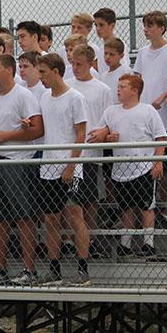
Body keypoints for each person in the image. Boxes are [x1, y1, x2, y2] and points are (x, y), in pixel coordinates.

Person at [0, 54, 44, 286]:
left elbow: (37, 130)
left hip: (17, 162)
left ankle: (29, 269)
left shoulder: (24, 95)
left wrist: (8, 135)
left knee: (24, 216)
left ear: (8, 70)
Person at [88, 75, 167, 257]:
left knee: (146, 207)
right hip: (121, 170)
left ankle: (148, 243)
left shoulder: (147, 111)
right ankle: (126, 244)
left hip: (143, 168)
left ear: (135, 91)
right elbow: (99, 136)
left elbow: (161, 138)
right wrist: (108, 138)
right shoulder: (111, 112)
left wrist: (157, 162)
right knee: (126, 208)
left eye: (123, 87)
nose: (119, 90)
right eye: (118, 86)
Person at [36, 53, 91, 286]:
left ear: (56, 72)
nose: (40, 78)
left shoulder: (75, 98)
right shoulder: (44, 98)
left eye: (43, 73)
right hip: (47, 167)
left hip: (70, 167)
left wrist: (71, 165)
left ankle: (83, 269)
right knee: (51, 219)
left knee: (74, 214)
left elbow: (81, 133)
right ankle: (54, 268)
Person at [67, 44, 114, 257]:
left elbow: (108, 119)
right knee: (72, 202)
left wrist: (103, 131)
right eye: (73, 64)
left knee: (91, 199)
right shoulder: (68, 86)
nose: (75, 68)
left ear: (90, 64)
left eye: (80, 64)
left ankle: (91, 238)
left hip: (92, 154)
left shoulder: (103, 89)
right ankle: (72, 240)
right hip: (72, 153)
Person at [134, 10, 167, 134]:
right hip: (145, 109)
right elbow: (138, 79)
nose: (145, 29)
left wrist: (165, 97)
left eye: (150, 26)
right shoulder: (142, 52)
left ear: (161, 29)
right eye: (144, 26)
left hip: (164, 112)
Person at [93, 8, 130, 72]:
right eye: (96, 25)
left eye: (101, 25)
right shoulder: (101, 48)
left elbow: (123, 70)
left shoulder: (120, 46)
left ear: (112, 25)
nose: (98, 28)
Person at [99, 38, 134, 103]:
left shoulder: (126, 72)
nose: (107, 57)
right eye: (105, 53)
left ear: (121, 56)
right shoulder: (103, 76)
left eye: (111, 54)